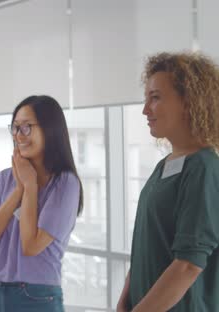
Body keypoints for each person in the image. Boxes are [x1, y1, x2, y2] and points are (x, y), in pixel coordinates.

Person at [117, 52, 219, 312]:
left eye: (155, 98)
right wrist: (127, 298)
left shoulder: (204, 168)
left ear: (189, 102)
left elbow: (188, 264)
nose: (145, 110)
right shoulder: (165, 166)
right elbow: (149, 243)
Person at [0, 95, 83, 311]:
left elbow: (31, 245)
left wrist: (31, 187)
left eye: (27, 127)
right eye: (15, 128)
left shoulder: (65, 184)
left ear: (50, 130)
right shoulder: (5, 178)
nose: (18, 135)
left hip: (36, 295)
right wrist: (19, 190)